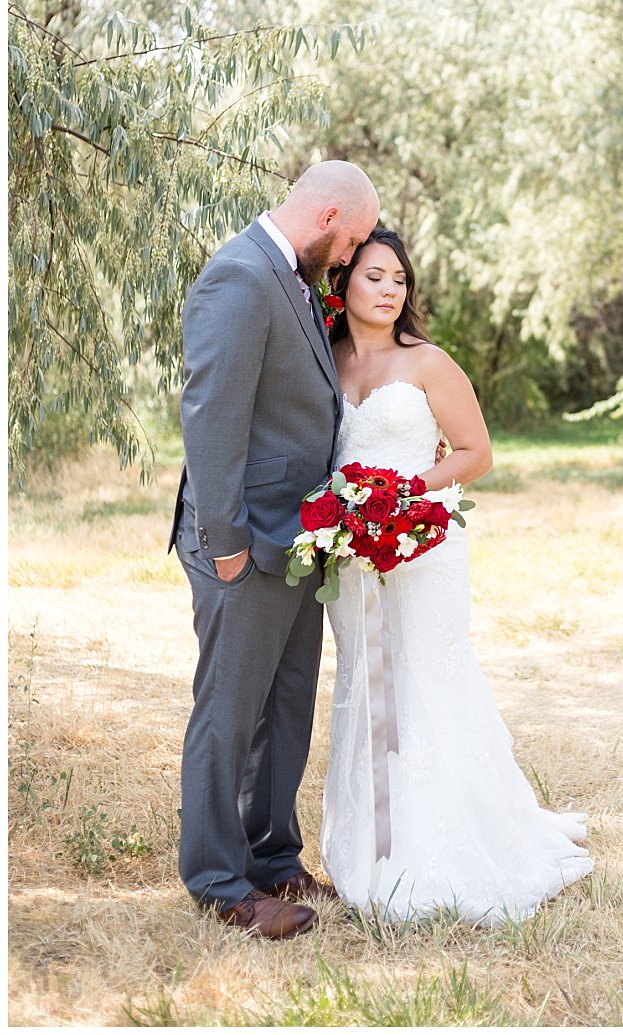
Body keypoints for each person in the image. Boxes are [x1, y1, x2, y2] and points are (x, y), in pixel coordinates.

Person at [320, 226, 592, 921]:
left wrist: (400, 496)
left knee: (422, 679)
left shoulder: (428, 361)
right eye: (375, 276)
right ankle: (370, 843)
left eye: (400, 280)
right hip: (352, 555)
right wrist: (348, 515)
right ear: (343, 280)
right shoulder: (327, 360)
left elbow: (476, 452)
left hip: (421, 545)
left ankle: (440, 849)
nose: (388, 290)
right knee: (364, 677)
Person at [171, 160, 380, 938]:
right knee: (229, 710)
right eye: (354, 237)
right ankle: (220, 881)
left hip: (298, 540)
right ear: (328, 213)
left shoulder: (288, 277)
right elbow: (211, 413)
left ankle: (272, 854)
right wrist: (223, 542)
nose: (353, 254)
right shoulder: (239, 275)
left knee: (285, 708)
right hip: (243, 540)